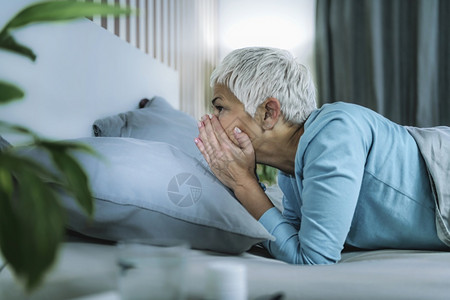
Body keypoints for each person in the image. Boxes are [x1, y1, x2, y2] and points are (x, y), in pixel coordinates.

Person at [194, 47, 450, 265]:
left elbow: (313, 258)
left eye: (220, 108)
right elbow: (291, 238)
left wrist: (245, 183)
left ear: (268, 113)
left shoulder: (333, 134)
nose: (211, 122)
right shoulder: (291, 170)